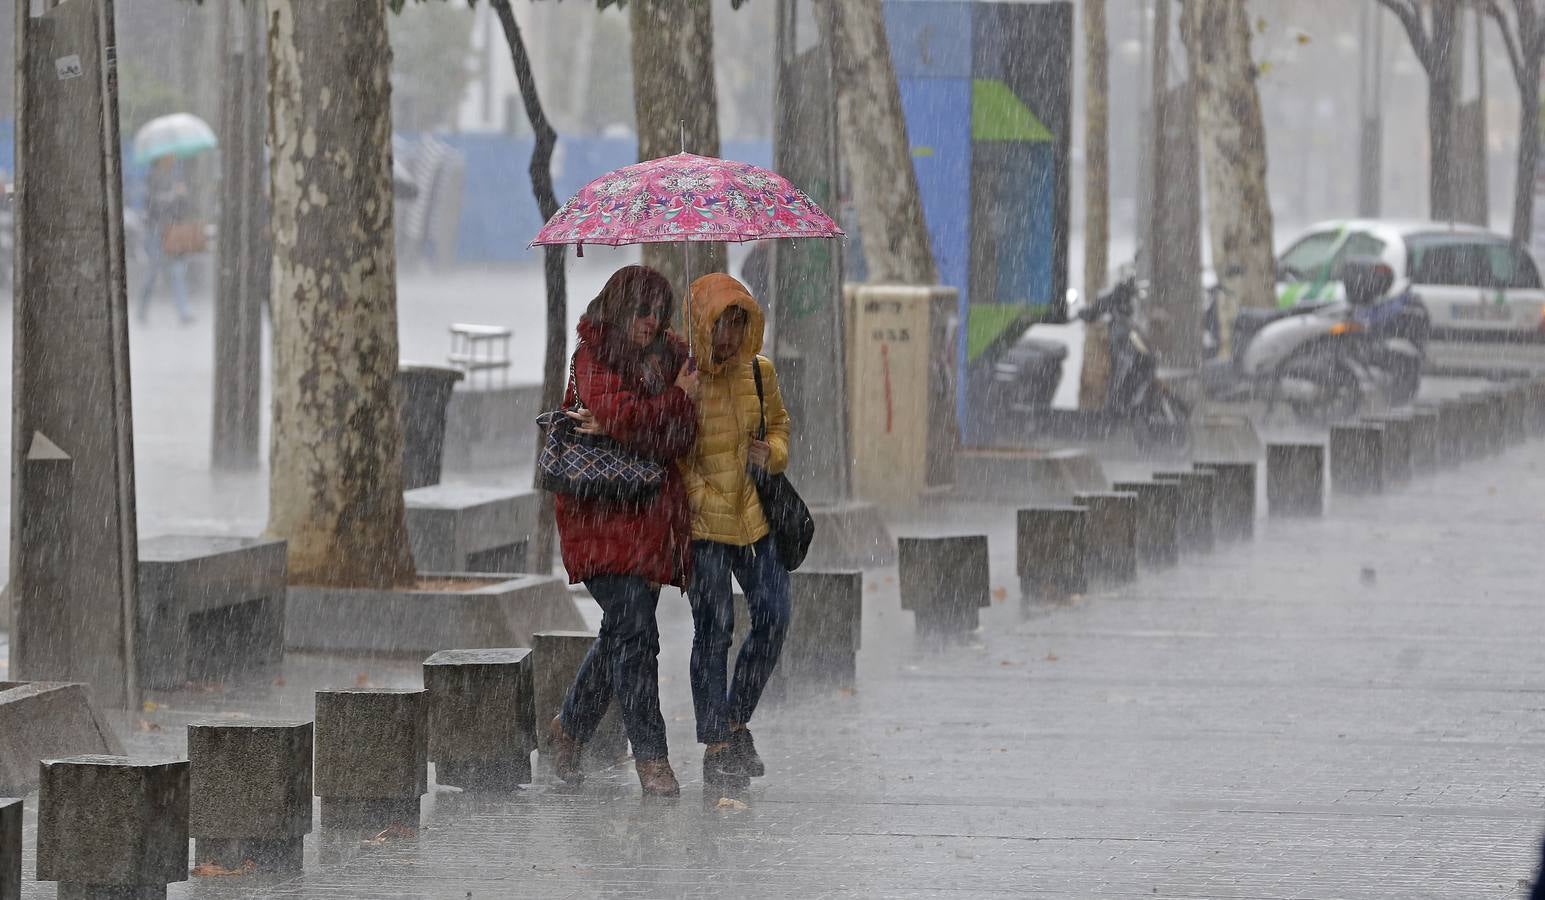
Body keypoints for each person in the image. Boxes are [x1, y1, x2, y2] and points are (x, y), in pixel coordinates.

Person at [550, 264, 700, 798]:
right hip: (596, 515)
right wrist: (665, 406)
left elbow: (677, 436)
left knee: (622, 631)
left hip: (647, 518)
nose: (651, 321)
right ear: (619, 308)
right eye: (642, 310)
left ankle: (568, 731)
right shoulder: (596, 354)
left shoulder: (671, 360)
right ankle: (652, 758)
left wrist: (658, 411)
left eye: (660, 312)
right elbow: (629, 417)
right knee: (637, 632)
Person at [680, 272, 793, 787]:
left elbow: (780, 428)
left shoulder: (759, 373)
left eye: (737, 323)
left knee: (773, 615)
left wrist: (771, 454)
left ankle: (736, 717)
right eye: (720, 323)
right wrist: (701, 497)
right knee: (715, 630)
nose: (728, 335)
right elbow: (672, 454)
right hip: (705, 526)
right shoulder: (683, 378)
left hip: (755, 519)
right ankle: (717, 743)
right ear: (702, 324)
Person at [138, 156, 195, 325]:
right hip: (156, 232)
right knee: (153, 273)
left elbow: (182, 209)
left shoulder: (175, 177)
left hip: (172, 233)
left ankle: (184, 311)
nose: (172, 158)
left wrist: (182, 196)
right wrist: (172, 196)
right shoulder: (152, 178)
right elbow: (151, 204)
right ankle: (142, 309)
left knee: (177, 271)